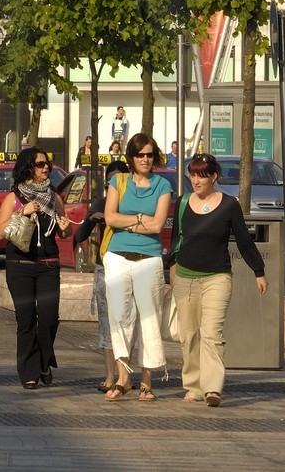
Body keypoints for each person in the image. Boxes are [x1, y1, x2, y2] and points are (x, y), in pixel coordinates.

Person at [169, 154, 267, 406]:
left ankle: (212, 388)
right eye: (192, 174)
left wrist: (258, 271)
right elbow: (176, 240)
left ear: (214, 176)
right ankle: (194, 387)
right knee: (189, 335)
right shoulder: (181, 202)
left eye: (202, 175)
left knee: (211, 333)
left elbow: (244, 240)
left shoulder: (229, 205)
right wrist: (171, 267)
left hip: (217, 278)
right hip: (185, 277)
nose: (196, 180)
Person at [102, 132, 172, 402]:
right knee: (119, 317)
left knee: (149, 319)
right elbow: (109, 217)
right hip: (117, 256)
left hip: (149, 259)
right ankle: (123, 378)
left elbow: (157, 225)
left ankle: (146, 380)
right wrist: (141, 218)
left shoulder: (162, 185)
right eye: (140, 154)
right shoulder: (117, 181)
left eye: (150, 154)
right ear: (130, 157)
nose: (145, 159)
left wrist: (127, 220)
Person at [0, 147, 72, 389]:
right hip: (20, 265)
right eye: (40, 164)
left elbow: (65, 231)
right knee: (26, 320)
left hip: (48, 264)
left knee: (49, 318)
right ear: (28, 167)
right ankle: (29, 370)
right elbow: (0, 232)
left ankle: (43, 360)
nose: (46, 167)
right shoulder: (14, 198)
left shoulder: (54, 197)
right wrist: (22, 211)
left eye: (47, 163)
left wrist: (65, 226)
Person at [74, 159, 129, 394]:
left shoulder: (133, 205)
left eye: (119, 180)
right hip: (105, 268)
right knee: (107, 325)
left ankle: (125, 375)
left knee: (127, 324)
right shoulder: (102, 203)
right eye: (110, 182)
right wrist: (93, 218)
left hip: (129, 266)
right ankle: (110, 375)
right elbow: (80, 235)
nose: (113, 186)